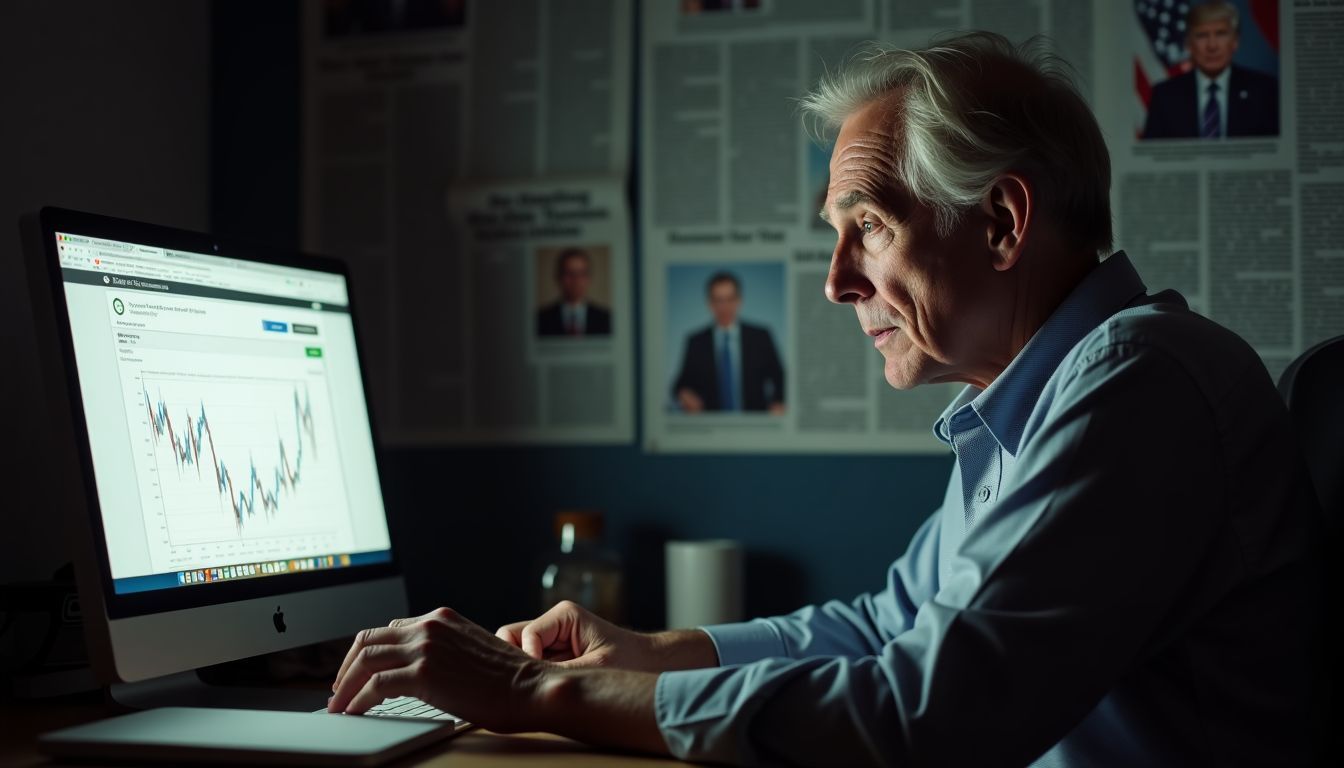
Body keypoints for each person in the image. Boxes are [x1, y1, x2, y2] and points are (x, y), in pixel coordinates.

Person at [327, 33, 1320, 766]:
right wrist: (645, 652)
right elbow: (886, 626)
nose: (837, 281)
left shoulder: (1138, 385)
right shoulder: (1039, 399)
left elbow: (917, 717)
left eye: (870, 228)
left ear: (1004, 224)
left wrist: (530, 688)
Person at [1142, 0, 1278, 139]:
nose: (1212, 46)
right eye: (1202, 35)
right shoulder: (1165, 96)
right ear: (1189, 44)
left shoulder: (1264, 91)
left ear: (1235, 41)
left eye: (1221, 34)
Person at [671, 271, 785, 414]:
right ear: (710, 303)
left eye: (730, 299)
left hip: (755, 424)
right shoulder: (696, 342)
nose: (724, 307)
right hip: (712, 426)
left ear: (739, 301)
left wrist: (778, 401)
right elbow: (680, 384)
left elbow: (780, 376)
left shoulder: (760, 337)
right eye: (718, 300)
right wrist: (685, 394)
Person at [536, 247, 611, 337]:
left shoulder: (605, 318)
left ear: (588, 278)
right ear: (558, 277)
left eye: (581, 273)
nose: (576, 280)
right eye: (569, 273)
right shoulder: (541, 319)